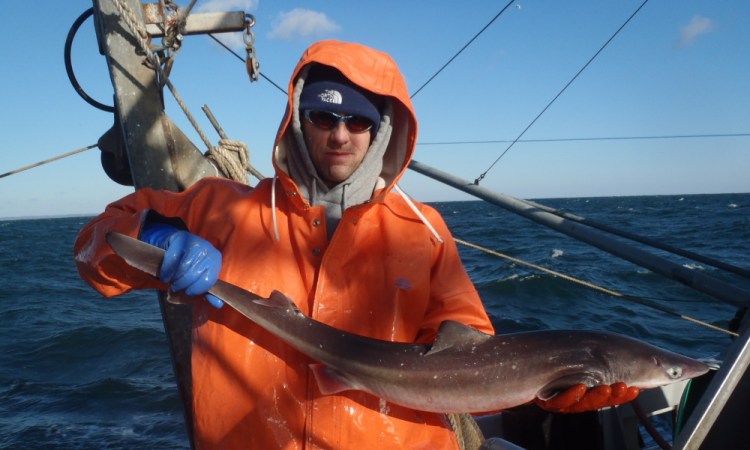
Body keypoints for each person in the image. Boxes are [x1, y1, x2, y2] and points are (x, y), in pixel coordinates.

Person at [74, 40, 637, 449]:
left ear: (381, 130)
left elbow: (473, 362)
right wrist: (152, 233)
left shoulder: (425, 230)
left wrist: (550, 387)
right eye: (323, 115)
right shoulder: (221, 207)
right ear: (299, 120)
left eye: (359, 121)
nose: (340, 134)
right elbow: (96, 248)